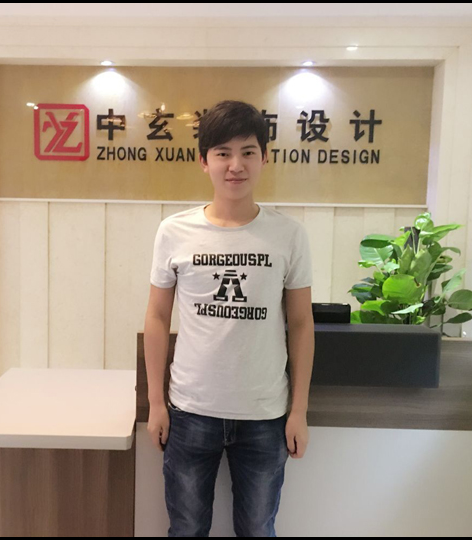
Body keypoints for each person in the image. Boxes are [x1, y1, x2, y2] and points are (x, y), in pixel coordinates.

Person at [143, 99, 315, 537]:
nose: (235, 165)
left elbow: (301, 324)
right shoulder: (174, 232)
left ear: (264, 157)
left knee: (258, 530)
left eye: (248, 152)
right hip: (190, 411)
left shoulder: (289, 234)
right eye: (223, 153)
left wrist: (298, 410)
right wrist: (156, 403)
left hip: (265, 415)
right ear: (204, 161)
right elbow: (158, 317)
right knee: (186, 529)